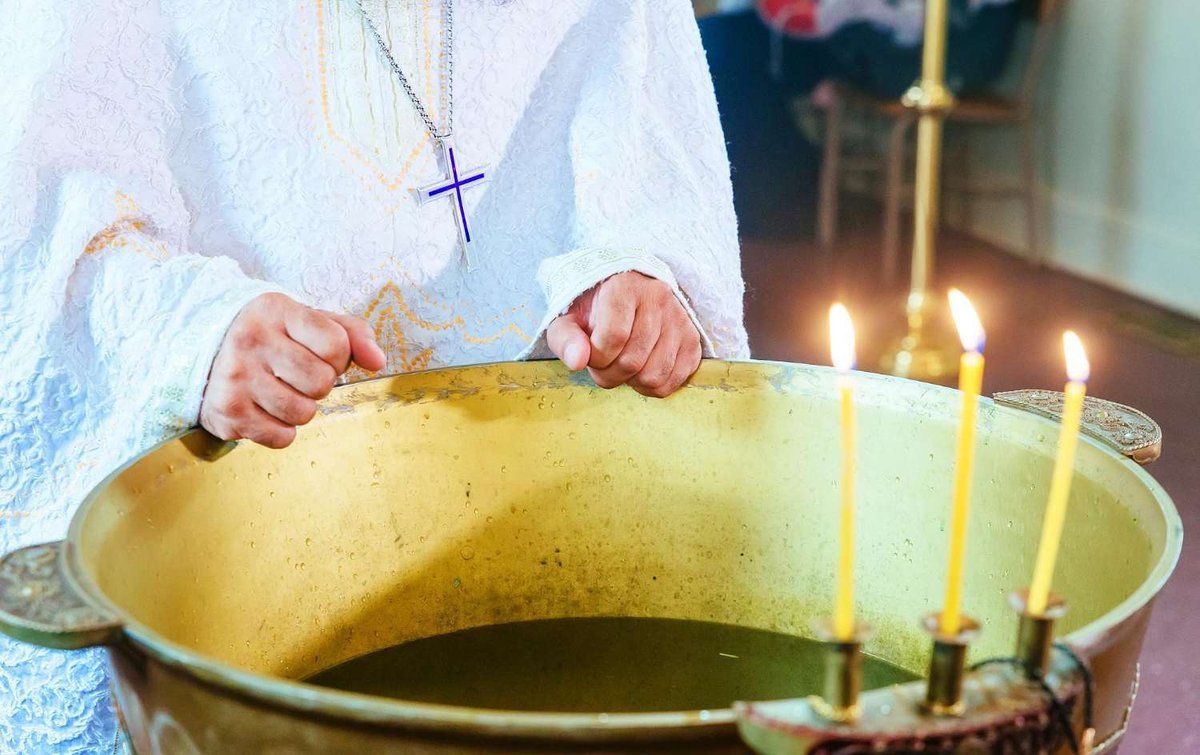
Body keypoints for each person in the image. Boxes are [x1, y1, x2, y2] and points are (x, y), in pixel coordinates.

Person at [0, 0, 748, 750]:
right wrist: (190, 331)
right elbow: (49, 213)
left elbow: (645, 143)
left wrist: (634, 285)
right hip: (240, 544)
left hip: (557, 557)